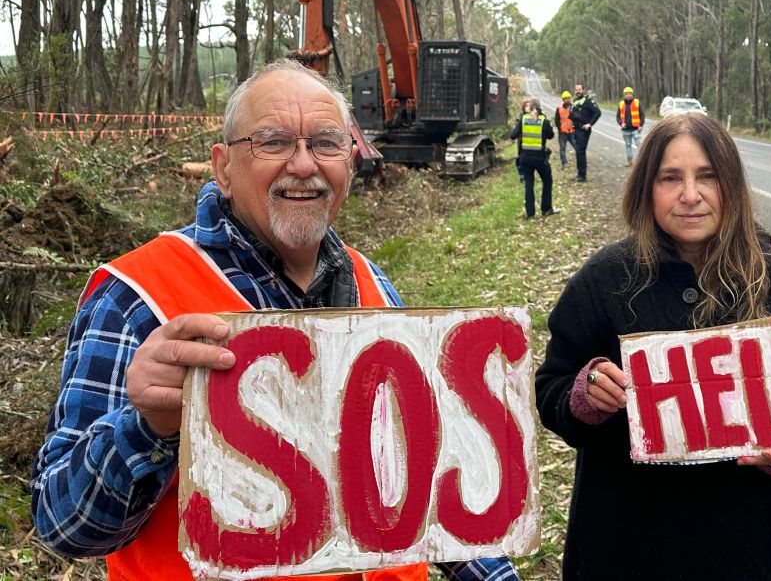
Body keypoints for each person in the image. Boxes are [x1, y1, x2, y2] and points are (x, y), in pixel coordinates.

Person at [32, 59, 520, 581]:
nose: (304, 165)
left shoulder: (375, 287)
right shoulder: (137, 299)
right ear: (222, 167)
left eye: (327, 144)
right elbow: (64, 527)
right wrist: (146, 428)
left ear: (352, 162)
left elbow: (430, 469)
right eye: (273, 142)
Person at [535, 113, 771, 580]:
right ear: (646, 189)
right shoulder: (606, 279)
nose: (690, 195)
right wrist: (585, 394)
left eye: (708, 176)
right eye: (669, 178)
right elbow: (551, 388)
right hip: (628, 544)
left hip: (758, 547)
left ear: (733, 187)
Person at [509, 98, 556, 218]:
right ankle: (546, 209)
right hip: (540, 158)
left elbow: (512, 135)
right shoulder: (543, 121)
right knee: (547, 181)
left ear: (530, 108)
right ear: (540, 108)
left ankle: (530, 214)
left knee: (529, 185)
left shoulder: (523, 120)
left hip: (525, 159)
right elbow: (551, 135)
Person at [568, 84, 601, 182]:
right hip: (576, 130)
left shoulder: (588, 101)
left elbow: (597, 112)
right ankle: (579, 174)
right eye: (576, 89)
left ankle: (582, 175)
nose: (578, 91)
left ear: (583, 90)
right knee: (578, 152)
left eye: (579, 89)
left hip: (584, 130)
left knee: (580, 151)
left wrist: (590, 124)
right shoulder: (575, 101)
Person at [616, 85, 645, 166]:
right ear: (624, 95)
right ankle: (629, 161)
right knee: (628, 146)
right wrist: (621, 124)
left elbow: (642, 115)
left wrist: (641, 125)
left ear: (632, 94)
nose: (628, 95)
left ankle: (640, 162)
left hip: (636, 129)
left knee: (639, 146)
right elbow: (618, 116)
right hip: (625, 130)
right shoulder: (621, 104)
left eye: (630, 93)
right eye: (626, 93)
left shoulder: (636, 102)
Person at [553, 91, 575, 169]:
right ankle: (564, 163)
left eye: (568, 98)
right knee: (562, 148)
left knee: (577, 147)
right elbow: (556, 119)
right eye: (565, 98)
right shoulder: (559, 109)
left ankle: (580, 162)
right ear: (563, 99)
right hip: (562, 132)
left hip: (572, 132)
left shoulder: (573, 108)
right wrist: (559, 128)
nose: (567, 100)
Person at [515, 97, 532, 183]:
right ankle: (522, 175)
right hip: (522, 141)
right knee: (521, 158)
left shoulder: (534, 117)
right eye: (526, 105)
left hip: (531, 142)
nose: (528, 107)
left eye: (529, 105)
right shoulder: (520, 118)